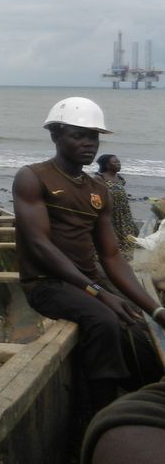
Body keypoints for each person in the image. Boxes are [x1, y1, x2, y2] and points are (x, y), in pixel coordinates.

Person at [13, 97, 165, 414]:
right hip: (47, 283)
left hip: (86, 280)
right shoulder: (33, 177)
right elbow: (40, 246)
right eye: (77, 135)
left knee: (139, 325)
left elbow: (111, 256)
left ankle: (135, 393)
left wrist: (155, 309)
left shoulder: (98, 189)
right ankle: (101, 411)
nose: (88, 144)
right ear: (56, 135)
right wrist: (99, 294)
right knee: (104, 321)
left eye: (93, 136)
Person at [96, 154, 140, 260]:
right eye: (115, 162)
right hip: (109, 213)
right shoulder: (99, 178)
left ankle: (124, 258)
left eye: (119, 161)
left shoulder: (120, 179)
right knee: (111, 236)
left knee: (128, 235)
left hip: (124, 214)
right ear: (107, 165)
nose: (118, 163)